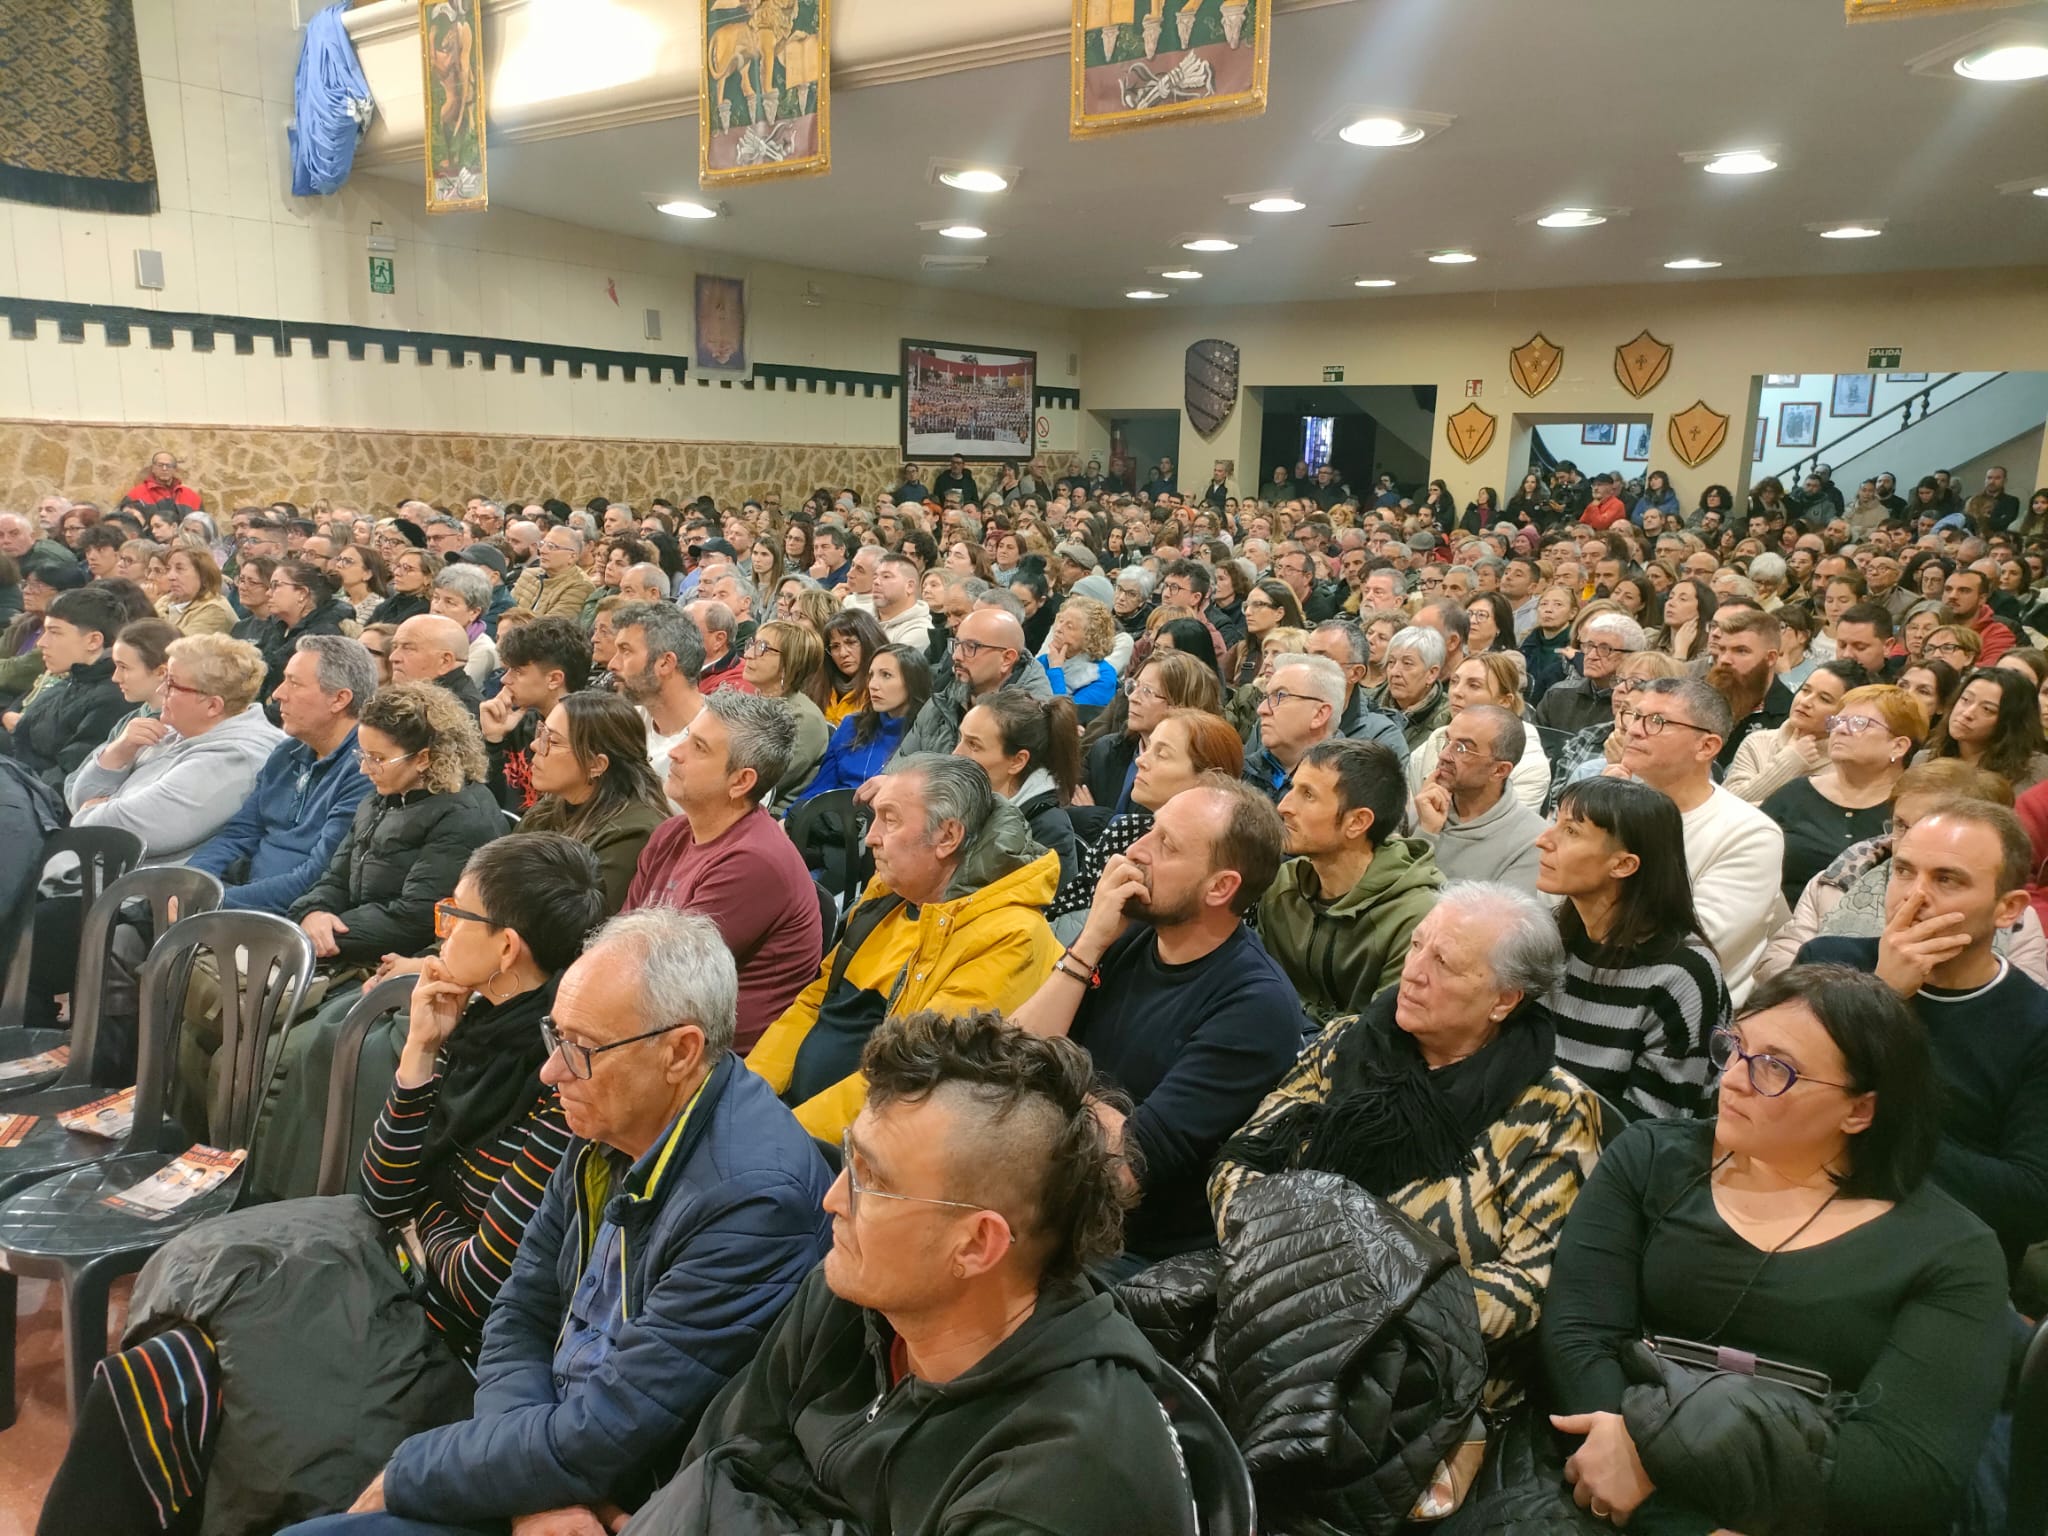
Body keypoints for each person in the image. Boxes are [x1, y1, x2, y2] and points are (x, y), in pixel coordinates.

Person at [40, 835, 610, 1536]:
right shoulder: (473, 1027)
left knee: (211, 1404)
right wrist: (419, 1054)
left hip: (445, 1344)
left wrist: (415, 1223)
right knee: (153, 1366)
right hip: (385, 1272)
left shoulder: (560, 1081)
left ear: (506, 947)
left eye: (454, 915)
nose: (440, 931)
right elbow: (381, 1195)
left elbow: (478, 1286)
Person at [280, 907, 834, 1536]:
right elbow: (519, 1311)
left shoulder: (753, 1202)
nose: (552, 1071)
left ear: (680, 1052)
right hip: (561, 1465)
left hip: (639, 1501)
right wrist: (534, 1491)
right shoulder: (611, 1119)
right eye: (556, 1036)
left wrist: (413, 1471)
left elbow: (612, 1430)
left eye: (581, 1047)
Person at [630, 1006, 1195, 1535]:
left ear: (977, 1245)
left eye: (872, 1180)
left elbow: (722, 1489)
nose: (832, 1199)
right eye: (849, 1159)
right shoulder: (856, 1292)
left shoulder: (1061, 1481)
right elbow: (708, 1469)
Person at [1540, 966, 2010, 1535]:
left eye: (1774, 1068)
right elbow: (1579, 1337)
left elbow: (1904, 1469)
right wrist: (1651, 1496)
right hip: (1608, 1487)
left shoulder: (1953, 1253)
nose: (1733, 1080)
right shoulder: (1649, 1159)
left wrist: (1654, 1474)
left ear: (1859, 1111)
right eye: (1734, 1048)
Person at [1214, 883, 1604, 1410]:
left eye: (1444, 962)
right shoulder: (1347, 1043)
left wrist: (1357, 1301)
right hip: (1271, 1321)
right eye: (1417, 945)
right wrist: (1287, 1272)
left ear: (1504, 999)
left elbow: (1526, 1288)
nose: (1414, 971)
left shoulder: (1554, 1109)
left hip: (1421, 1383)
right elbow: (1241, 1162)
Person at [1013, 778, 1305, 1270]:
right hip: (1051, 1193)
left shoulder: (1255, 1006)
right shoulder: (1129, 936)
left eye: (1166, 845)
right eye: (1151, 830)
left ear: (1220, 887)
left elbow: (1124, 1170)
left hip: (1134, 1253)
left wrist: (1045, 1079)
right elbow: (1010, 1057)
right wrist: (1089, 944)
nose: (1135, 851)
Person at [747, 755, 1061, 1140]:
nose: (870, 837)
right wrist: (749, 1096)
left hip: (860, 1146)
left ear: (947, 837)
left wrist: (779, 1136)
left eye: (890, 820)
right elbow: (815, 1002)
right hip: (790, 1122)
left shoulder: (1011, 936)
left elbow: (911, 1076)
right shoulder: (889, 894)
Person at [1796, 801, 2048, 1265]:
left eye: (1947, 880)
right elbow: (1771, 1095)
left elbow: (2029, 1201)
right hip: (1797, 1215)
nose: (1913, 897)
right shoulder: (1826, 962)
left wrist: (1860, 1130)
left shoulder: (2036, 1025)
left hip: (1937, 1255)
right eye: (1904, 871)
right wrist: (1882, 996)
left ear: (2008, 908)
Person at [623, 690, 823, 1052]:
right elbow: (619, 939)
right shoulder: (672, 832)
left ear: (741, 782)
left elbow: (668, 979)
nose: (675, 752)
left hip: (715, 1057)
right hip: (660, 1027)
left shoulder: (754, 862)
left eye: (699, 748)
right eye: (687, 737)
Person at [1537, 777, 1729, 1120]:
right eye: (1555, 822)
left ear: (1624, 865)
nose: (1543, 840)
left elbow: (1655, 1125)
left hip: (1609, 1146)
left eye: (1571, 831)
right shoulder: (1551, 937)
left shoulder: (1683, 974)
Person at [287, 682, 505, 972]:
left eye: (377, 758)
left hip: (405, 962)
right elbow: (336, 879)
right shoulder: (381, 797)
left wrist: (325, 934)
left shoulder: (463, 816)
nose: (365, 769)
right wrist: (313, 912)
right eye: (363, 755)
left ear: (423, 758)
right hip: (354, 943)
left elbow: (416, 918)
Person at [1617, 677, 1785, 1004]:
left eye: (1657, 721)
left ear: (1706, 746)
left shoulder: (1750, 834)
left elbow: (1695, 943)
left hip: (1683, 1007)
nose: (1634, 730)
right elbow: (1551, 902)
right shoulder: (1608, 806)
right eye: (1634, 716)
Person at [1261, 738, 1443, 1021]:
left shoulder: (1414, 919)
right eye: (1292, 788)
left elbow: (1383, 1031)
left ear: (1357, 822)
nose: (1284, 806)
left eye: (1308, 795)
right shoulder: (1283, 884)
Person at [66, 632, 284, 863]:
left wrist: (89, 812)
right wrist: (119, 751)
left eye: (171, 684)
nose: (160, 691)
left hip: (136, 883)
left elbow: (119, 832)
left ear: (212, 705)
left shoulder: (234, 758)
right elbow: (81, 798)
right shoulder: (176, 728)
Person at [1053, 707, 1244, 937]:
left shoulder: (1231, 857)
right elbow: (1059, 915)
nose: (1141, 760)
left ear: (1209, 777)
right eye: (1148, 748)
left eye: (1161, 754)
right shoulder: (1124, 831)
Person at [1762, 684, 1924, 910]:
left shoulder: (1914, 810)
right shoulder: (1795, 793)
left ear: (1898, 746)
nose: (1841, 730)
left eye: (1859, 723)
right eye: (1837, 721)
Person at [518, 690, 669, 914]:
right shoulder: (551, 806)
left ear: (596, 765)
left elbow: (583, 921)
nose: (534, 746)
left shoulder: (633, 833)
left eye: (553, 741)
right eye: (542, 733)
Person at [0, 583, 129, 786]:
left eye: (55, 632)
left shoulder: (113, 698)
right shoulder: (74, 678)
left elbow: (65, 780)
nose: (41, 642)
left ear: (93, 641)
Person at [1413, 704, 1547, 890]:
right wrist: (1426, 831)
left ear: (1499, 770)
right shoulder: (1424, 804)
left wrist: (1425, 837)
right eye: (1447, 741)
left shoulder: (1531, 841)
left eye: (1461, 748)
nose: (1443, 755)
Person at [954, 690, 1081, 883]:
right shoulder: (955, 802)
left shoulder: (1049, 832)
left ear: (1017, 761)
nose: (956, 754)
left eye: (974, 745)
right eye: (960, 738)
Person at [895, 606, 1051, 759]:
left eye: (970, 647)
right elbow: (899, 765)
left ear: (1006, 659)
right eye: (956, 644)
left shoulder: (1035, 721)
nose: (956, 656)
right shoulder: (941, 702)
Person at [1079, 648, 1221, 812]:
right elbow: (1070, 811)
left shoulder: (1192, 773)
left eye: (1147, 691)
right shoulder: (1104, 751)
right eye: (1134, 686)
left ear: (1180, 705)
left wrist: (1098, 819)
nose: (1133, 698)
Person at [1406, 651, 1551, 810]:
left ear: (1504, 701)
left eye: (1474, 685)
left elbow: (1511, 824)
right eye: (1454, 681)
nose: (1456, 692)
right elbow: (1406, 812)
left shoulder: (1530, 764)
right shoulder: (1437, 738)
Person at [478, 614, 590, 812]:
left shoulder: (586, 737)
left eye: (518, 671)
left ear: (554, 679)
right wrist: (493, 741)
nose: (505, 680)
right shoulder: (515, 721)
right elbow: (487, 805)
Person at [1721, 658, 1869, 804]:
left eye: (1824, 699)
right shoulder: (1758, 742)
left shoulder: (1846, 767)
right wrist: (1791, 759)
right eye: (1805, 690)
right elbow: (1728, 804)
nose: (1805, 702)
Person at [798, 643, 932, 801]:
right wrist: (792, 815)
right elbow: (818, 789)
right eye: (871, 675)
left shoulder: (928, 735)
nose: (873, 685)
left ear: (912, 682)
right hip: (834, 813)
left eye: (886, 675)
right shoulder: (851, 725)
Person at [609, 600, 706, 786]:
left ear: (665, 663)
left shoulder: (722, 740)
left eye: (626, 651)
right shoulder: (624, 724)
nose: (613, 664)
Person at [738, 618, 831, 799]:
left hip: (769, 809)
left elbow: (760, 781)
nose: (748, 654)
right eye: (752, 644)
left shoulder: (805, 718)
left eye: (762, 648)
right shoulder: (751, 701)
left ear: (791, 662)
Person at [1925, 665, 2048, 794]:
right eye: (1965, 699)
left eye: (1987, 709)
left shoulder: (2036, 770)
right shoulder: (1925, 759)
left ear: (2010, 722)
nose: (1967, 713)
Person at [1532, 611, 1645, 735]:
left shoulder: (1638, 706)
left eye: (1604, 649)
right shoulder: (1557, 694)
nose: (1591, 656)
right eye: (1589, 646)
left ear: (1631, 656)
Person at [1371, 624, 1453, 749]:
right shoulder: (1369, 704)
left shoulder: (1448, 719)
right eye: (1391, 662)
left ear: (1432, 673)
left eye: (1407, 663)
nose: (1395, 672)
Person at [1039, 592, 1120, 708]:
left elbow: (1066, 714)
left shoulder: (1103, 677)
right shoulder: (1046, 659)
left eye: (1069, 627)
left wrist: (1055, 669)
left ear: (1090, 638)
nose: (1058, 629)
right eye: (1060, 621)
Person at [510, 525, 594, 621]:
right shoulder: (528, 574)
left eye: (551, 547)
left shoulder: (580, 586)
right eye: (542, 544)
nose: (542, 551)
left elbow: (551, 626)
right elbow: (506, 611)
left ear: (572, 556)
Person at [820, 606, 886, 726]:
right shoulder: (821, 686)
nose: (843, 653)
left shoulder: (881, 689)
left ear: (869, 640)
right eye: (835, 646)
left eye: (850, 642)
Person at [154, 545, 235, 636]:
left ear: (203, 575)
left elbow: (180, 643)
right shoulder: (166, 600)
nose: (170, 576)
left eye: (179, 569)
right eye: (168, 569)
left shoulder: (215, 610)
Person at [1946, 565, 2016, 665]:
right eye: (1948, 589)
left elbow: (1989, 671)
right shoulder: (1930, 623)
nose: (1952, 596)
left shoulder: (1998, 634)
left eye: (1964, 591)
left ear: (1982, 599)